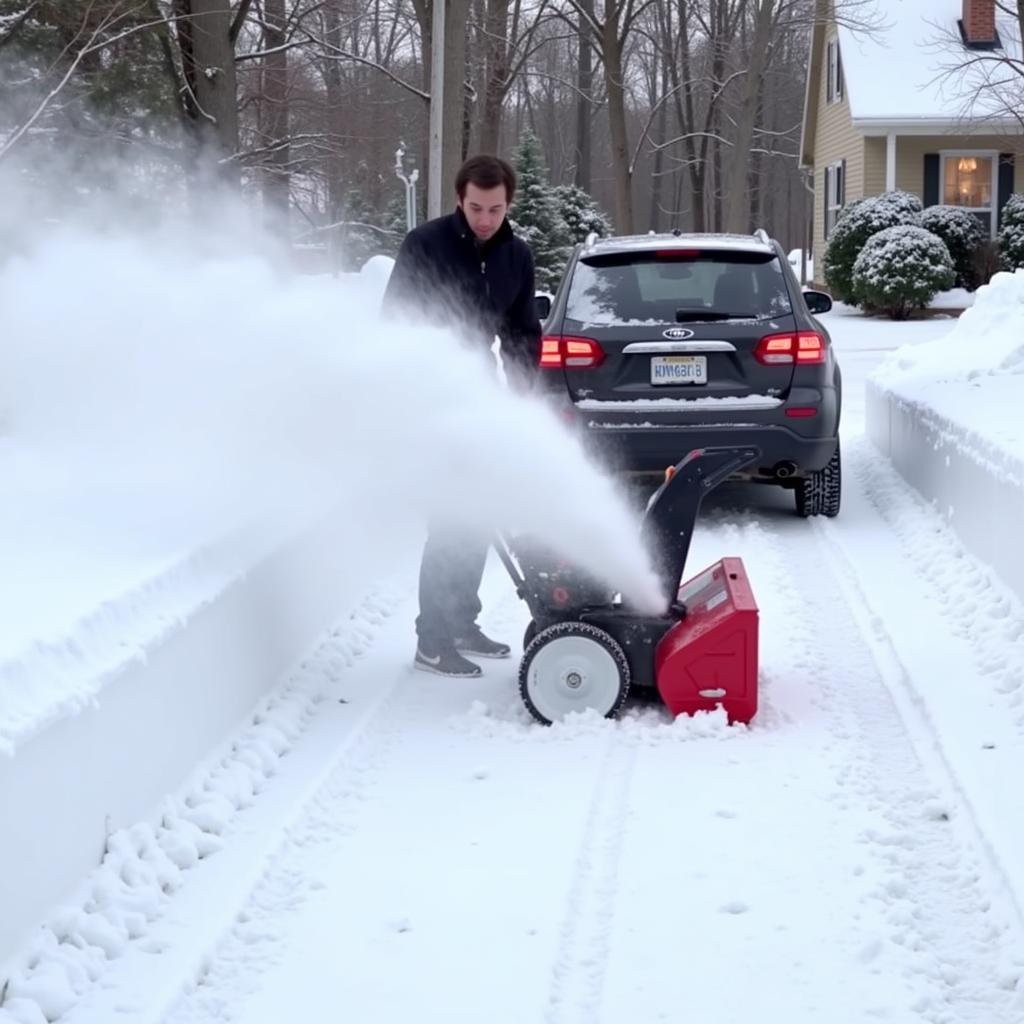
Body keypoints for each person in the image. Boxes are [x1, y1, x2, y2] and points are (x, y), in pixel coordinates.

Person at [382, 154, 542, 678]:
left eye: (495, 209)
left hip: (482, 401)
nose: (484, 219)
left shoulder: (516, 257)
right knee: (450, 521)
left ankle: (461, 623)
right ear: (459, 198)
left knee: (478, 513)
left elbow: (520, 333)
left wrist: (521, 394)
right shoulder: (425, 245)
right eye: (475, 207)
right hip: (430, 403)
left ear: (508, 204)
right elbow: (397, 323)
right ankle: (432, 639)